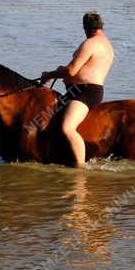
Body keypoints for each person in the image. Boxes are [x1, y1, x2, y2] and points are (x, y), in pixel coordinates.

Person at [40, 11, 114, 167]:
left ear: (85, 28)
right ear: (101, 26)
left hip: (85, 92)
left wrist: (50, 75)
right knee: (43, 119)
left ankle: (81, 169)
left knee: (67, 127)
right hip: (80, 90)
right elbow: (82, 69)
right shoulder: (106, 44)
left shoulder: (91, 43)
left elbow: (71, 71)